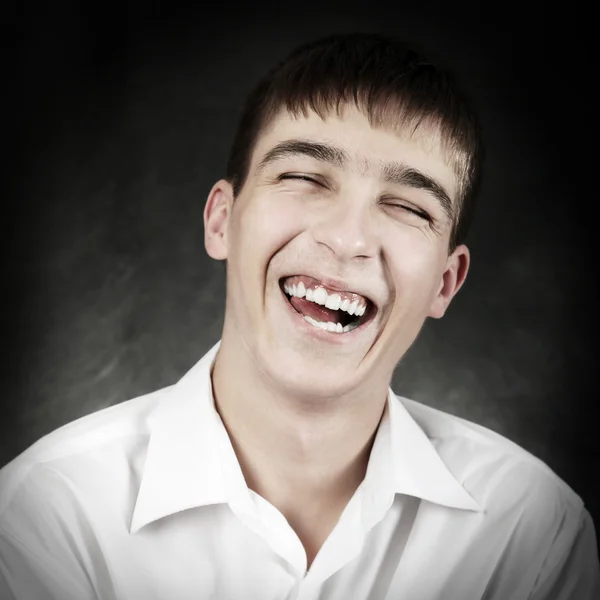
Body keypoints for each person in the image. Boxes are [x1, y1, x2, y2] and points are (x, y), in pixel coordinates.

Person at [0, 33, 598, 600]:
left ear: (446, 282)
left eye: (407, 207)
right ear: (221, 221)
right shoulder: (50, 511)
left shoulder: (532, 529)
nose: (347, 238)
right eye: (306, 177)